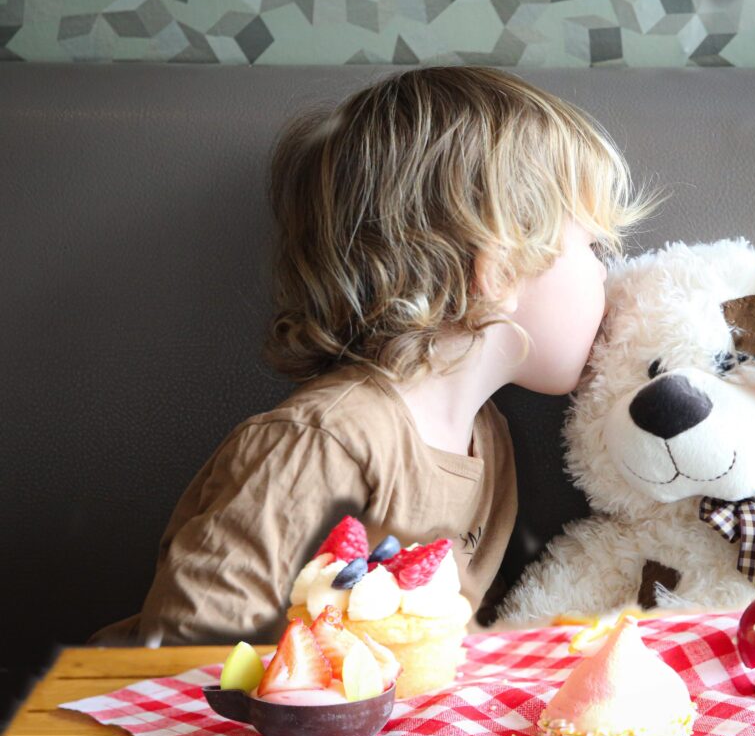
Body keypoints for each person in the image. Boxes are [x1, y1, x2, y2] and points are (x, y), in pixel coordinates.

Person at [89, 66, 663, 647]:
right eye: (593, 246)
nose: (606, 272)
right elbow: (189, 658)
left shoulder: (487, 437)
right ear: (501, 268)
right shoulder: (322, 441)